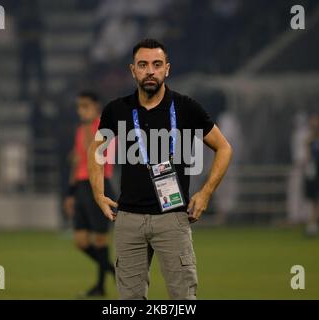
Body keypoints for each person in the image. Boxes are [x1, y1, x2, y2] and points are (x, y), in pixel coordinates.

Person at [88, 39, 233, 300]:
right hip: (128, 218)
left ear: (167, 69)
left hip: (172, 218)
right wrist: (98, 194)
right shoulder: (117, 110)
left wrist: (206, 192)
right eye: (143, 65)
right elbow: (96, 150)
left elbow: (224, 148)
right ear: (133, 70)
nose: (150, 71)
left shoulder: (186, 107)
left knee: (182, 299)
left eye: (157, 64)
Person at [64, 91, 115, 297]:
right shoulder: (81, 129)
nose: (80, 110)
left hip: (100, 184)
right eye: (79, 106)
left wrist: (87, 128)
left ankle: (100, 286)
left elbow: (95, 155)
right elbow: (77, 161)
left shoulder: (105, 127)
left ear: (96, 107)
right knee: (81, 241)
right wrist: (70, 192)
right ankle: (113, 270)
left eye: (85, 106)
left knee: (100, 239)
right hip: (82, 187)